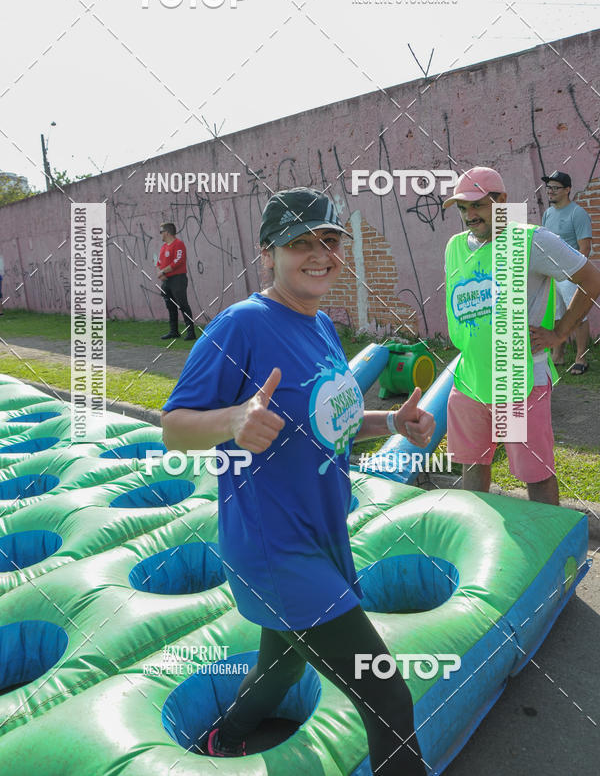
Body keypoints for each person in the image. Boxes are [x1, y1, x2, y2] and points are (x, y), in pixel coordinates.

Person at [162, 187, 434, 774]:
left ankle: (224, 737)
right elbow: (174, 428)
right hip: (274, 549)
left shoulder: (321, 326)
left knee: (283, 662)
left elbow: (327, 424)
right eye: (300, 244)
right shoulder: (242, 326)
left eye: (329, 242)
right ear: (267, 253)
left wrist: (392, 421)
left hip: (321, 534)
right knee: (387, 695)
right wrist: (232, 421)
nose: (320, 254)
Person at [443, 167, 600, 506]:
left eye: (478, 205)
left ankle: (550, 553)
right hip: (470, 379)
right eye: (462, 208)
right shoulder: (455, 247)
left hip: (519, 379)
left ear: (501, 202)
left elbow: (591, 279)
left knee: (536, 475)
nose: (470, 216)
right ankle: (476, 540)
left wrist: (560, 333)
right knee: (473, 466)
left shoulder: (531, 240)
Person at [541, 170, 593, 374]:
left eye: (555, 188)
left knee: (577, 316)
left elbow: (585, 248)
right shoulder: (548, 213)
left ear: (568, 190)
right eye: (548, 188)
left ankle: (581, 358)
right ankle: (558, 355)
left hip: (571, 274)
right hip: (552, 274)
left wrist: (575, 274)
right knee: (556, 315)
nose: (550, 192)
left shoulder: (577, 213)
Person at [156, 222, 196, 340]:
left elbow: (178, 261)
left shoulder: (179, 244)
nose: (160, 235)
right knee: (170, 306)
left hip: (178, 279)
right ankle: (174, 331)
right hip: (166, 281)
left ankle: (191, 332)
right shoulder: (163, 247)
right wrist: (160, 273)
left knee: (183, 305)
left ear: (167, 232)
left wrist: (163, 271)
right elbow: (158, 263)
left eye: (161, 232)